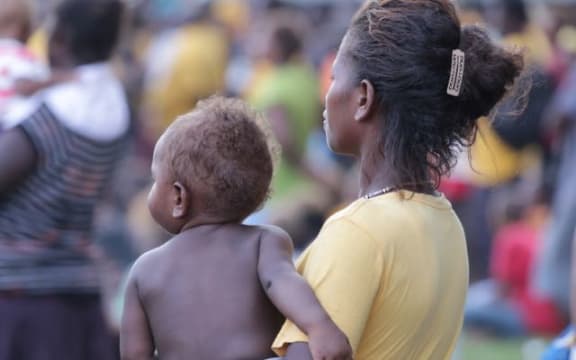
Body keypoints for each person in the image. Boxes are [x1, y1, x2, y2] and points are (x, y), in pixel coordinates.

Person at [270, 0, 524, 358]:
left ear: (363, 98)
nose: (325, 97)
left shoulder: (357, 232)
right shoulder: (445, 220)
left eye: (333, 79)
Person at [119, 96, 352, 360]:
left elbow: (135, 355)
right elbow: (283, 282)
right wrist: (319, 325)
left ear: (178, 198)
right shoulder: (263, 242)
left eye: (154, 179)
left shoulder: (143, 272)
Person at [0, 1, 129, 359]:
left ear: (59, 39)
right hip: (77, 299)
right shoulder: (112, 106)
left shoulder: (45, 123)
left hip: (19, 302)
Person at [0, 0, 48, 124]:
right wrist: (57, 80)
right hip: (10, 124)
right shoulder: (21, 55)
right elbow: (23, 87)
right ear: (22, 28)